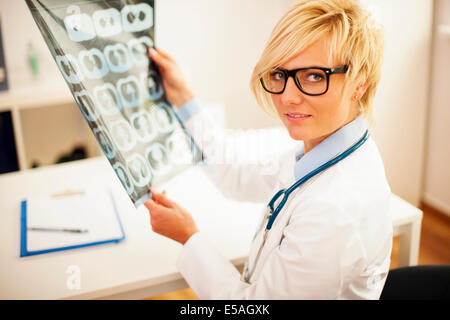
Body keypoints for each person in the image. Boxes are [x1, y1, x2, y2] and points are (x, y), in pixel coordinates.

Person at [145, 0, 393, 299]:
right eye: (279, 74)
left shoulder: (335, 211)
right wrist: (183, 97)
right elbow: (235, 173)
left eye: (314, 76)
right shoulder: (321, 150)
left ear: (360, 84)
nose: (288, 97)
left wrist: (188, 237)